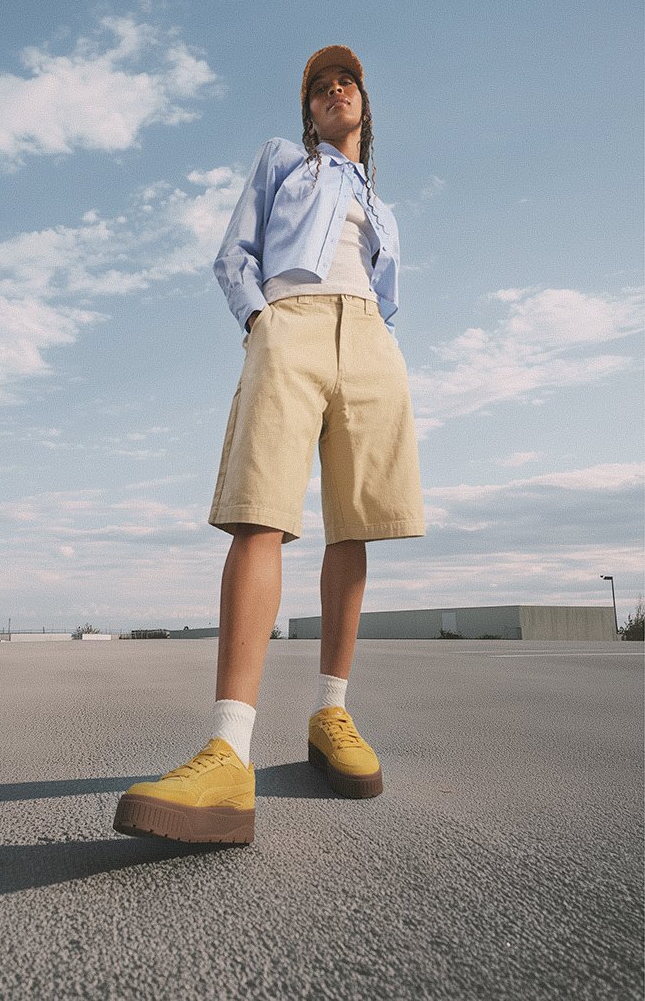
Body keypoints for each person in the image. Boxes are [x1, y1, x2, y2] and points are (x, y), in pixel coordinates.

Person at [113, 45, 425, 845]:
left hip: (371, 342)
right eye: (320, 87)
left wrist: (376, 341)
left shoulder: (385, 209)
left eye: (346, 81)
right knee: (261, 514)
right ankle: (228, 751)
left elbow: (387, 291)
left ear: (365, 105)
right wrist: (260, 321)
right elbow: (231, 254)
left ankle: (331, 717)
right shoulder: (285, 164)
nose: (334, 90)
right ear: (309, 113)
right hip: (288, 321)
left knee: (355, 527)